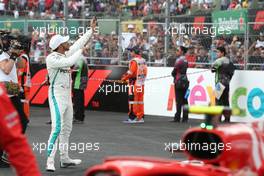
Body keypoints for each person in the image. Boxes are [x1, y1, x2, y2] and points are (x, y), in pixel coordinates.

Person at [45, 17, 97, 172]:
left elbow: (78, 44)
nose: (69, 43)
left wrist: (91, 30)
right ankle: (49, 161)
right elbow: (70, 62)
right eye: (66, 42)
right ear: (60, 46)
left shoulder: (64, 53)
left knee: (67, 128)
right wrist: (81, 51)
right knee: (57, 128)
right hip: (56, 95)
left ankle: (64, 158)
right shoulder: (52, 58)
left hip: (66, 96)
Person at [0, 31, 28, 167]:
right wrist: (12, 55)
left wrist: (18, 52)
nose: (11, 43)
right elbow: (6, 69)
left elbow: (22, 65)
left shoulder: (9, 54)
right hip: (4, 94)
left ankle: (7, 151)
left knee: (22, 121)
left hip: (11, 92)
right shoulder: (1, 55)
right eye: (9, 41)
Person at [0, 84, 41, 176]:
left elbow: (16, 142)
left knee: (21, 123)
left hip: (11, 93)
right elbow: (6, 69)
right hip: (10, 92)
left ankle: (3, 156)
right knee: (22, 122)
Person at [121, 46, 147, 123]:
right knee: (140, 100)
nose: (130, 53)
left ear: (134, 52)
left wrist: (123, 78)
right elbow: (145, 72)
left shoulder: (134, 61)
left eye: (131, 51)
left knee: (132, 100)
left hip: (134, 83)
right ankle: (140, 117)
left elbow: (130, 73)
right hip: (141, 83)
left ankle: (132, 117)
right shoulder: (143, 60)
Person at [212, 47, 235, 122]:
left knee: (217, 101)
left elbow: (213, 69)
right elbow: (232, 72)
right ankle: (227, 119)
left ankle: (218, 118)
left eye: (218, 52)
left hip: (219, 84)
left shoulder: (219, 60)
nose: (217, 54)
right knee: (226, 102)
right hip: (227, 84)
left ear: (222, 53)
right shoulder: (229, 61)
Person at [171, 46, 189, 123]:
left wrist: (173, 75)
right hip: (185, 80)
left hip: (178, 81)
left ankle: (177, 117)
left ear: (181, 52)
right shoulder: (185, 60)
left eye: (178, 50)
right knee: (185, 100)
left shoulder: (179, 60)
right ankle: (185, 117)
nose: (176, 52)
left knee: (179, 100)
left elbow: (174, 72)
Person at [72, 52, 89, 124]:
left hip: (78, 83)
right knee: (80, 101)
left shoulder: (79, 60)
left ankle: (78, 117)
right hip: (81, 83)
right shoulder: (83, 59)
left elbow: (75, 71)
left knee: (78, 101)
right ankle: (80, 117)